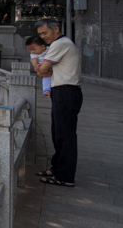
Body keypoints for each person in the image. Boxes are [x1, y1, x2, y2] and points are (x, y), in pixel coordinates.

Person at [33, 18, 82, 187]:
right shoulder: (63, 44)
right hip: (62, 91)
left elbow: (43, 70)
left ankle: (65, 176)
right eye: (40, 34)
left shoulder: (60, 44)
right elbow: (45, 71)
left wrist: (41, 69)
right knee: (57, 132)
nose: (43, 37)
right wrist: (43, 70)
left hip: (66, 91)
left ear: (56, 29)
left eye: (45, 33)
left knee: (65, 135)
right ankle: (57, 168)